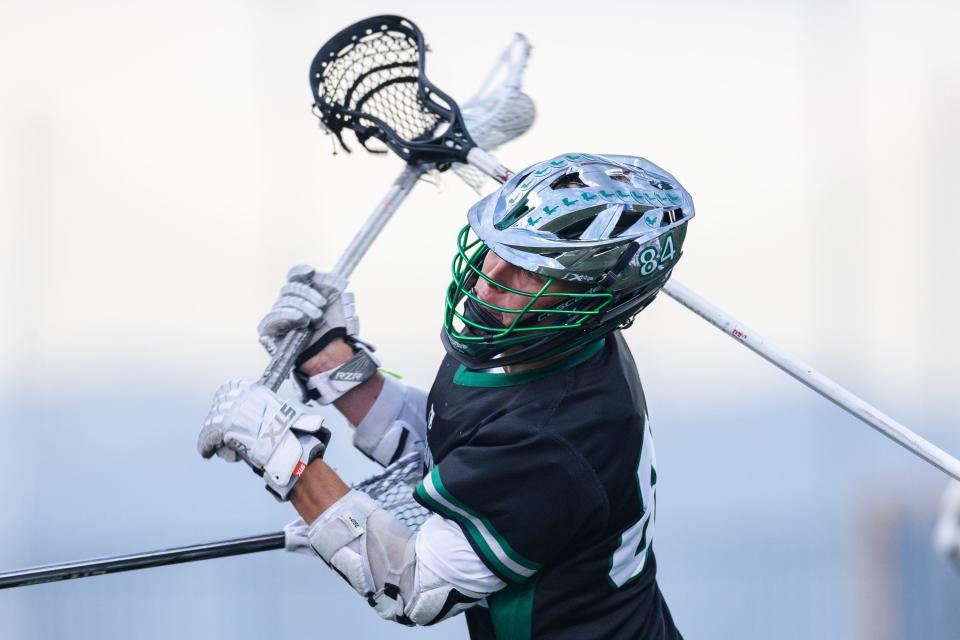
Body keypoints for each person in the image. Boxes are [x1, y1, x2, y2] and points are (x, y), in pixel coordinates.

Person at [198, 152, 694, 639]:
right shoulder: (537, 336)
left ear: (594, 297)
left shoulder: (560, 438)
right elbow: (458, 446)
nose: (491, 276)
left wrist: (289, 459)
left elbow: (410, 587)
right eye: (498, 246)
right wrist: (333, 364)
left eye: (532, 269)